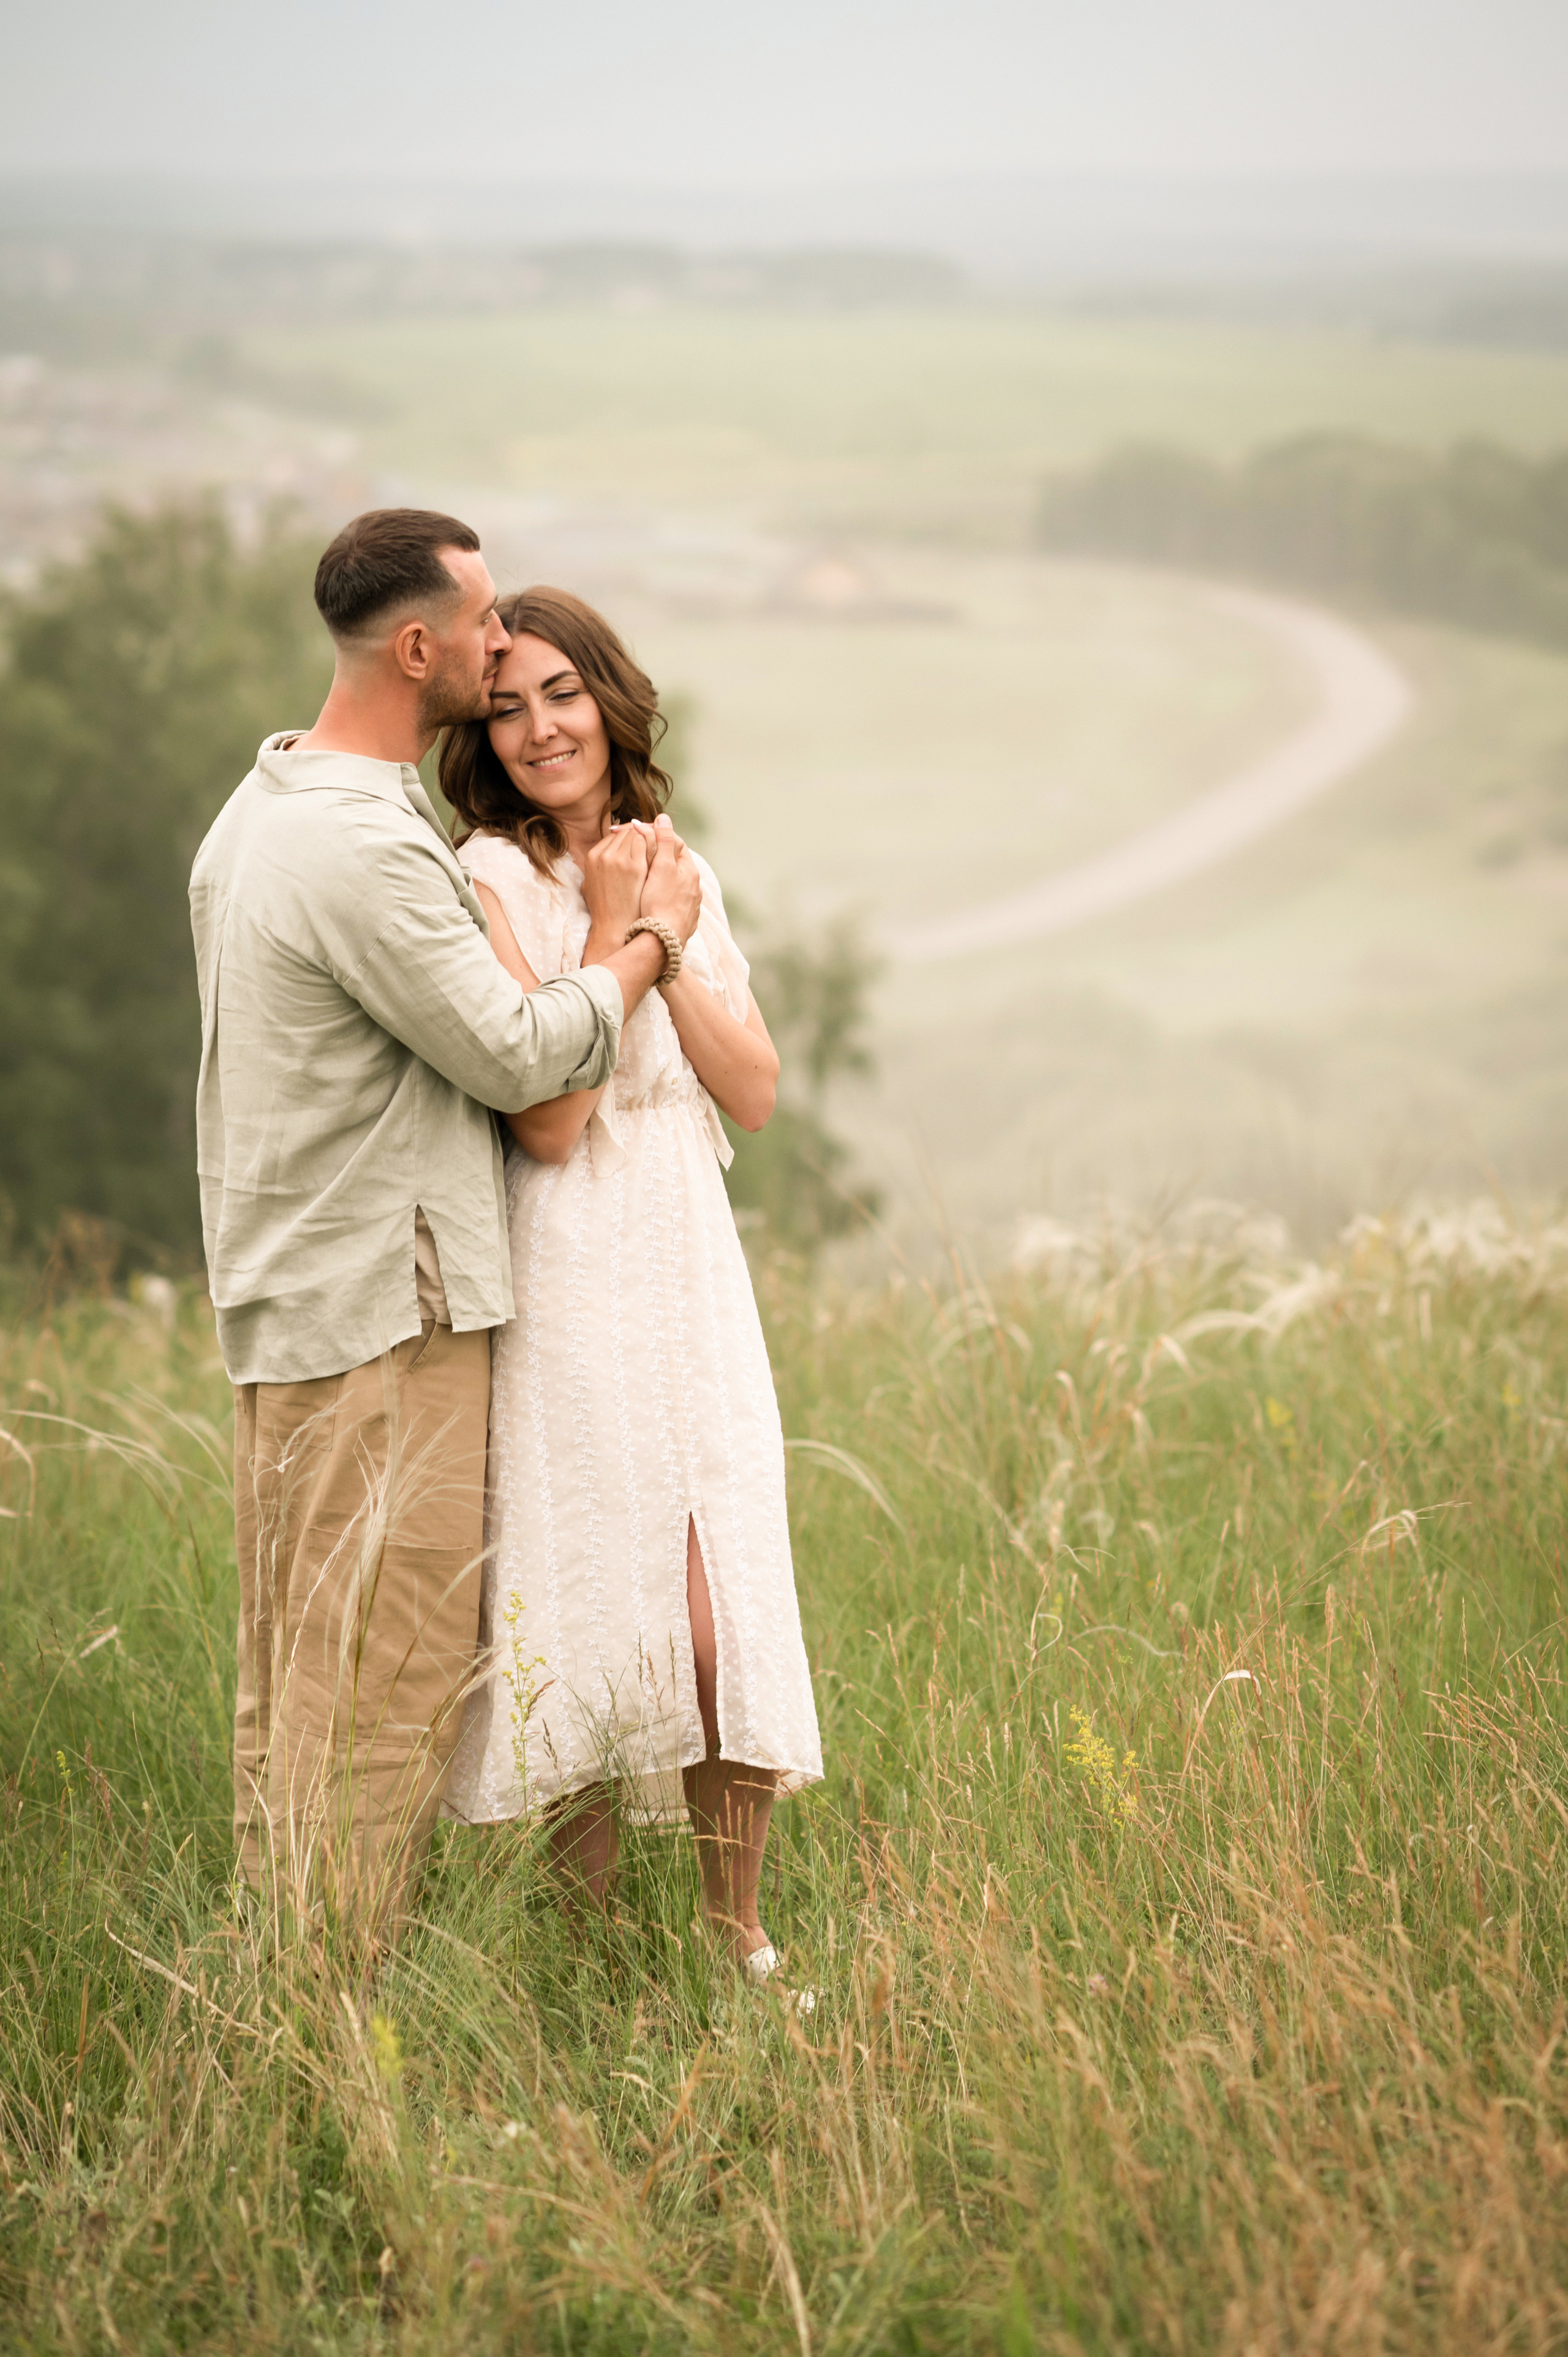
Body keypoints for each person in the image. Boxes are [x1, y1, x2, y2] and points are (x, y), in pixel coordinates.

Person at [189, 510, 701, 1938]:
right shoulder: (361, 847)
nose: (500, 642)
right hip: (382, 1321)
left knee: (301, 1678)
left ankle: (286, 1986)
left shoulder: (265, 810)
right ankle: (326, 2026)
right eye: (482, 625)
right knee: (382, 1687)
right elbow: (529, 1057)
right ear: (419, 648)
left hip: (306, 1306)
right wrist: (642, 941)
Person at [438, 586, 823, 1990]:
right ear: (483, 733)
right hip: (568, 1256)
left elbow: (757, 1090)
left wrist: (657, 940)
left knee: (720, 1613)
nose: (540, 727)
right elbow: (545, 1120)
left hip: (686, 1251)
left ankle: (739, 1946)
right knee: (592, 1600)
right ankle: (594, 1962)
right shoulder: (485, 875)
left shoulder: (677, 862)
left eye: (560, 693)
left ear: (608, 698)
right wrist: (619, 939)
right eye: (506, 705)